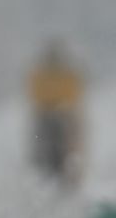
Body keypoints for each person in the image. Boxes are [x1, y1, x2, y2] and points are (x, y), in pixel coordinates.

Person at [27, 40, 85, 186]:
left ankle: (58, 174)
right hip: (51, 114)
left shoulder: (46, 74)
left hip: (58, 114)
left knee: (63, 145)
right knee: (47, 145)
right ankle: (47, 173)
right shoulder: (62, 74)